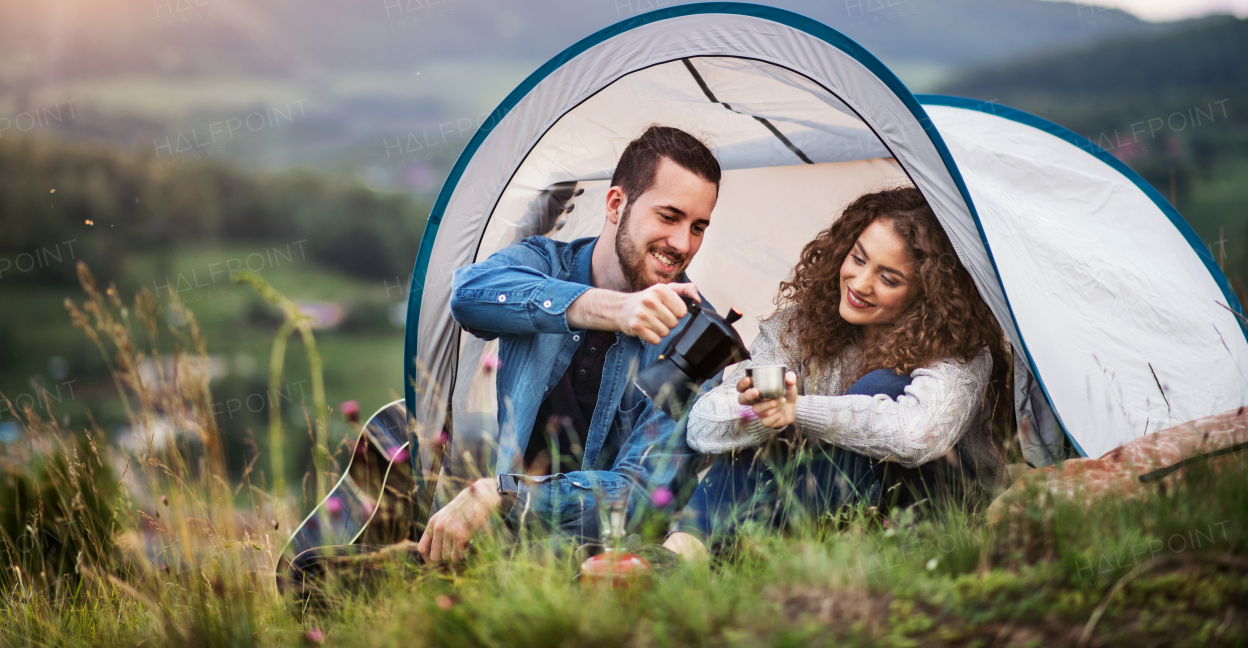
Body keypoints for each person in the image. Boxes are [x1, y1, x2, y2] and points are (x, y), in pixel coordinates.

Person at [418, 125, 722, 563]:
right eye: (669, 217)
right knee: (314, 575)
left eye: (698, 227)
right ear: (617, 204)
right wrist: (609, 309)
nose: (682, 243)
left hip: (598, 565)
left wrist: (506, 495)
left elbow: (641, 494)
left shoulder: (698, 336)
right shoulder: (544, 263)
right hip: (492, 544)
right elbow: (468, 296)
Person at [664, 187, 1010, 560]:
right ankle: (679, 556)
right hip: (826, 506)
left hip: (930, 518)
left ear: (927, 294)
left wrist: (798, 411)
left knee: (881, 387)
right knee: (762, 423)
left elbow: (919, 435)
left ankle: (731, 553)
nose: (860, 284)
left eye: (889, 279)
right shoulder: (798, 329)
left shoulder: (961, 350)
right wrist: (760, 412)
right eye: (858, 259)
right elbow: (701, 426)